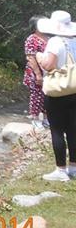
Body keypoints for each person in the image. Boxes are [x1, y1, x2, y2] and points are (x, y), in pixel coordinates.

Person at [35, 10, 76, 182]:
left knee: (57, 130)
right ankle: (74, 167)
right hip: (74, 89)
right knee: (74, 130)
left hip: (58, 92)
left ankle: (60, 170)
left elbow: (49, 65)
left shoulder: (55, 42)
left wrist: (39, 57)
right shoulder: (74, 41)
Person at [23, 15, 48, 127]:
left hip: (48, 72)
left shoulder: (49, 38)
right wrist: (38, 75)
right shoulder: (31, 39)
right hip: (35, 72)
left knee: (48, 95)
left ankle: (46, 118)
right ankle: (35, 118)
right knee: (37, 95)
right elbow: (30, 57)